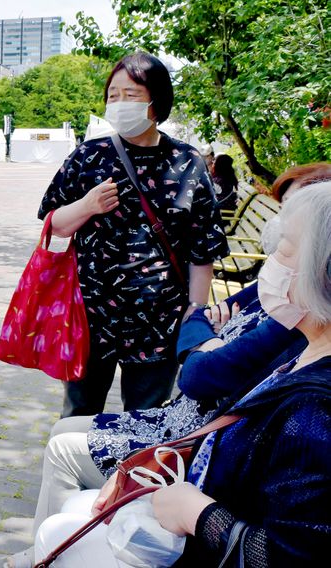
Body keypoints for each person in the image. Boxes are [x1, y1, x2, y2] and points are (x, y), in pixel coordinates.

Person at [30, 181, 331, 566]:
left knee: (59, 529)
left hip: (192, 513)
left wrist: (194, 511)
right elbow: (197, 320)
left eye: (285, 247)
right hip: (182, 471)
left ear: (323, 275)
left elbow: (285, 555)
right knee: (67, 514)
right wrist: (150, 470)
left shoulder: (316, 407)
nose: (270, 257)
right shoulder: (306, 357)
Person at [39, 52, 229, 418]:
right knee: (78, 413)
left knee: (146, 419)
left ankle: (130, 477)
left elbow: (201, 248)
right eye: (113, 95)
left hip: (159, 321)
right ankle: (76, 475)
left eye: (132, 95)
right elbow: (54, 225)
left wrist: (195, 311)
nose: (120, 104)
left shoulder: (186, 162)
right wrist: (87, 206)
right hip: (91, 315)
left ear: (157, 102)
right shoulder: (89, 156)